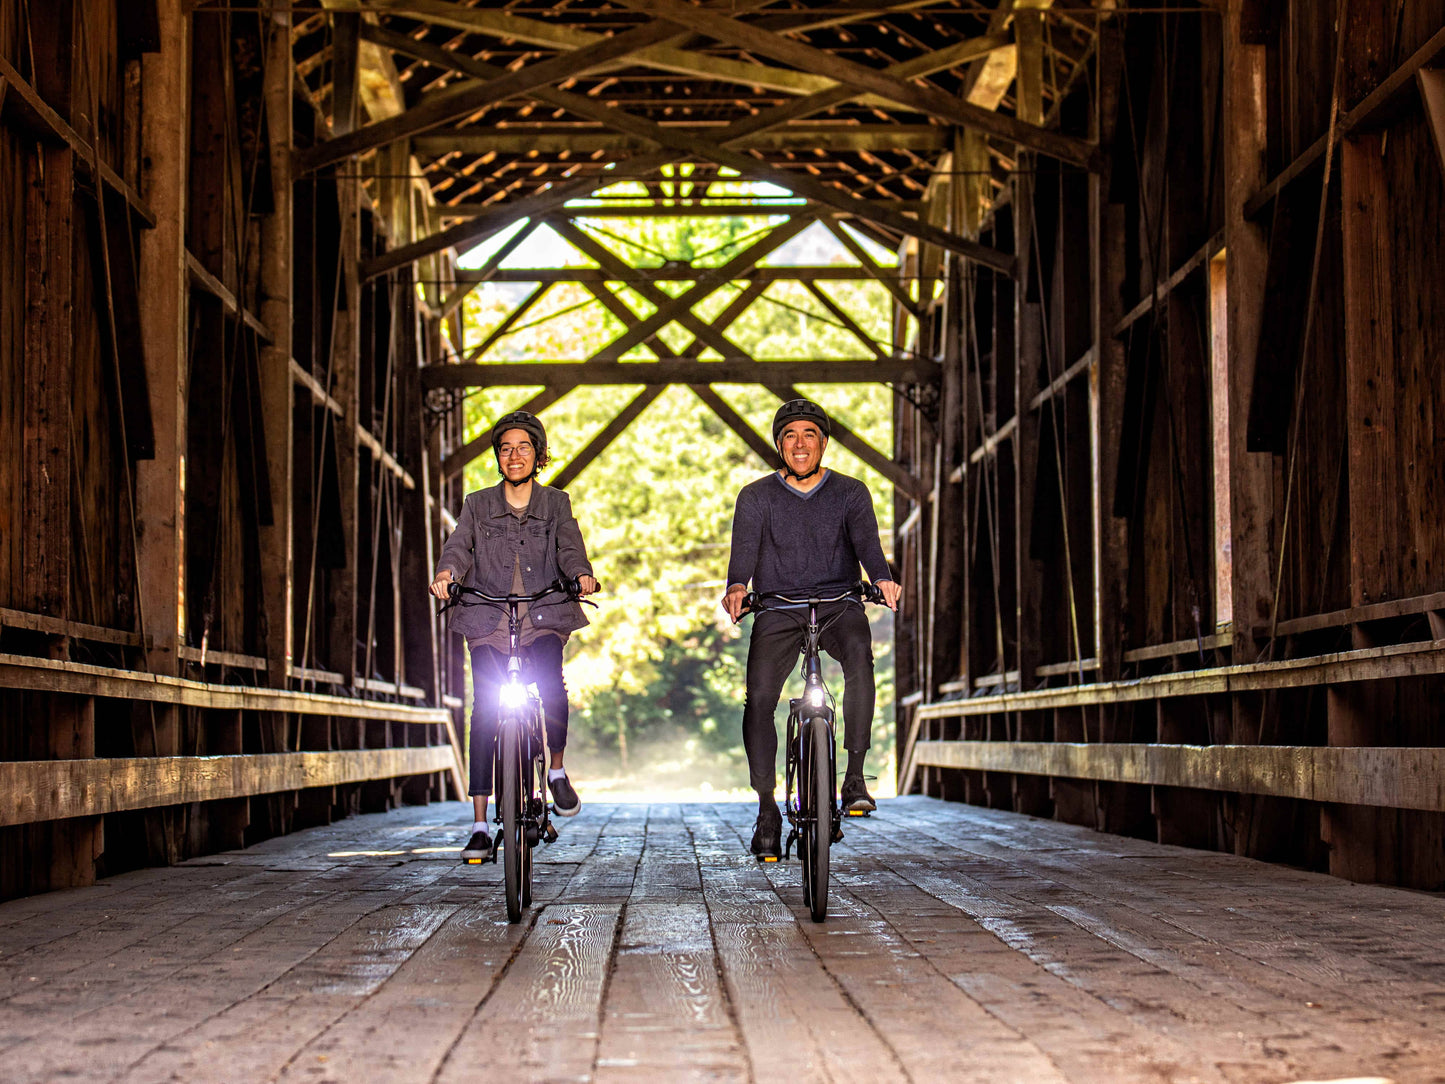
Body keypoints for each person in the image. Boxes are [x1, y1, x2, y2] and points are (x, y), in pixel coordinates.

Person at [722, 399, 902, 859]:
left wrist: (881, 578)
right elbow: (742, 554)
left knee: (861, 659)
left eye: (809, 435)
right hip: (779, 608)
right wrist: (738, 587)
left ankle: (855, 777)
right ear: (779, 444)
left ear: (823, 442)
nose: (799, 444)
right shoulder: (756, 496)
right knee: (759, 697)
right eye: (790, 436)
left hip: (839, 604)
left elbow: (868, 546)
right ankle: (766, 809)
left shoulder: (850, 492)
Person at [430, 411, 598, 860]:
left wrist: (581, 575)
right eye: (506, 448)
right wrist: (447, 573)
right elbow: (459, 546)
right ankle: (481, 823)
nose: (514, 455)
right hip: (486, 616)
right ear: (498, 457)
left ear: (539, 455)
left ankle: (557, 771)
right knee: (485, 708)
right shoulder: (477, 504)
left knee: (551, 683)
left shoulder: (555, 504)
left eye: (524, 447)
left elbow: (569, 547)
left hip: (543, 614)